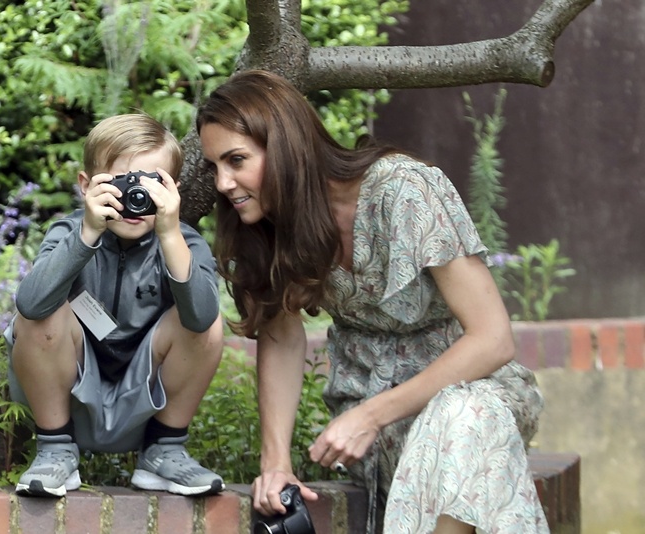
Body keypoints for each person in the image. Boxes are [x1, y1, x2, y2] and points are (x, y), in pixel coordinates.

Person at [196, 70, 548, 533]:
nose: (223, 183)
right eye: (214, 167)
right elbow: (280, 337)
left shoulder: (403, 190)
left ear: (284, 146)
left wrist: (371, 415)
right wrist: (276, 461)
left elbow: (494, 339)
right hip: (374, 420)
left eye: (236, 160)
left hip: (471, 393)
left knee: (466, 418)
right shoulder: (267, 229)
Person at [5, 113, 225, 498]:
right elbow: (31, 304)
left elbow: (201, 318)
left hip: (147, 400)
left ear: (173, 190)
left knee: (209, 324)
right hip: (69, 396)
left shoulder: (184, 242)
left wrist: (170, 234)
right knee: (44, 313)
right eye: (122, 182)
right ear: (87, 185)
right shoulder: (69, 231)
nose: (134, 197)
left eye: (151, 184)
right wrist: (88, 232)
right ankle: (55, 450)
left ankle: (165, 450)